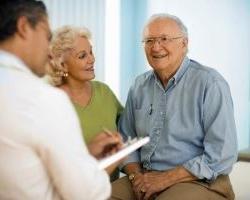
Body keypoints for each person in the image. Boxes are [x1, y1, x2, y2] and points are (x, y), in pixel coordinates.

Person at [0, 0, 122, 199]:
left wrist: (86, 155)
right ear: (23, 27)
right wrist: (113, 159)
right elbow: (86, 193)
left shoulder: (103, 92)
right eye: (47, 36)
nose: (49, 51)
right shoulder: (45, 99)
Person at [111, 13, 238, 200]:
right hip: (145, 177)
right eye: (149, 40)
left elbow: (221, 155)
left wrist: (165, 179)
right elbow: (126, 142)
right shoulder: (139, 85)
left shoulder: (210, 83)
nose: (156, 47)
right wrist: (136, 176)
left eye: (164, 39)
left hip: (199, 180)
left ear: (184, 44)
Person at [46, 25, 123, 181]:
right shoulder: (50, 100)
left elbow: (129, 128)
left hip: (112, 189)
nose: (92, 59)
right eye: (82, 56)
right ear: (62, 64)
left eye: (91, 52)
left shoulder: (104, 92)